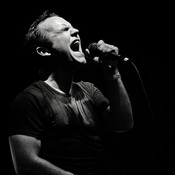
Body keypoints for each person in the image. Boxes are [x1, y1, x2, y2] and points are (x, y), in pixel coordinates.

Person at [8, 10, 134, 175]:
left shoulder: (89, 90)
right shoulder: (30, 99)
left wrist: (113, 74)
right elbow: (25, 164)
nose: (76, 31)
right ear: (44, 50)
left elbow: (122, 124)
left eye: (73, 28)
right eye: (64, 30)